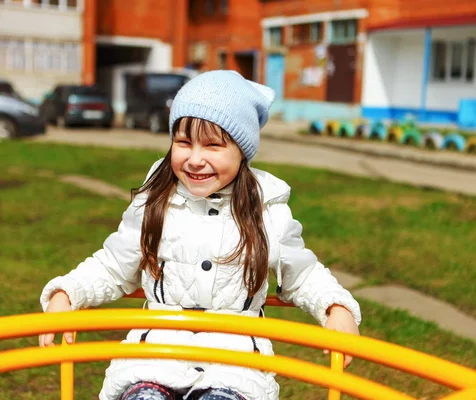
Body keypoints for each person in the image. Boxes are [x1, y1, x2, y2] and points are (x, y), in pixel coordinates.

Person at [39, 70, 361, 400]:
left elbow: (303, 275)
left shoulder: (267, 211)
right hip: (154, 360)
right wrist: (68, 293)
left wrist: (336, 306)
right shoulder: (156, 201)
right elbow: (112, 266)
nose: (195, 159)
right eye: (183, 142)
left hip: (235, 369)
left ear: (242, 151)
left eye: (212, 145)